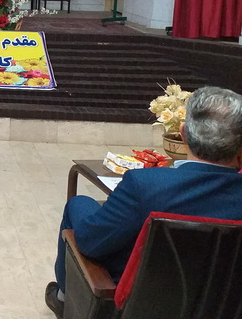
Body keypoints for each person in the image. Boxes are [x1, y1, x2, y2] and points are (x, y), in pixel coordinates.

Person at [46, 85, 242, 318]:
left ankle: (64, 299)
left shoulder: (145, 185)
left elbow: (90, 243)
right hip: (225, 306)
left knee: (78, 205)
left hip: (141, 306)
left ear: (183, 134)